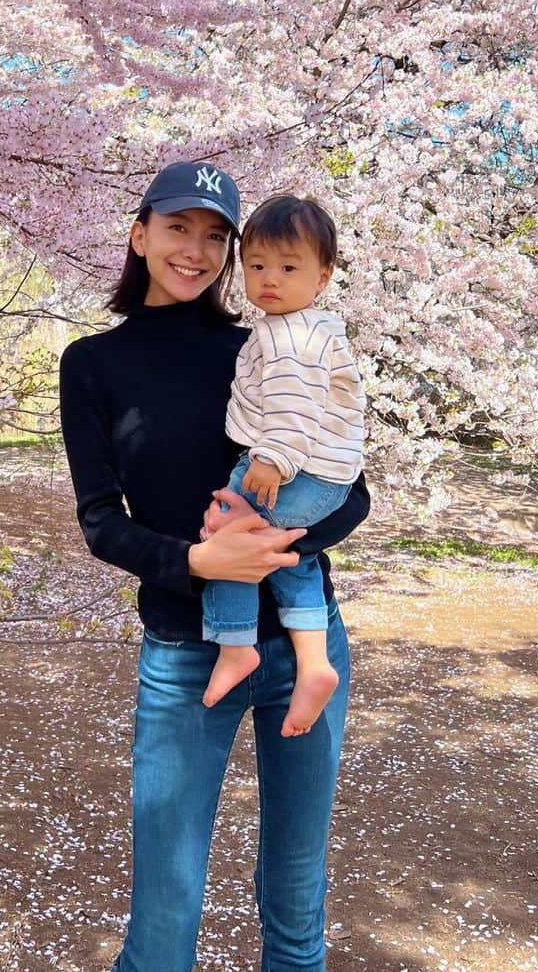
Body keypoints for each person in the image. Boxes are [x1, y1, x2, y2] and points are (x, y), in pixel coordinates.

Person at [59, 161, 370, 972]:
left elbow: (351, 491)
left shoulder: (270, 343)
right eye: (177, 228)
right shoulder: (91, 364)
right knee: (163, 920)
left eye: (215, 235)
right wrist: (203, 558)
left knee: (297, 906)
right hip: (184, 653)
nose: (195, 249)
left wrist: (278, 549)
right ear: (140, 234)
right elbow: (100, 523)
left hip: (306, 647)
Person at [200, 195, 366, 736]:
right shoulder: (304, 326)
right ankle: (315, 664)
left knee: (230, 533)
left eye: (289, 268)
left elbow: (294, 405)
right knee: (291, 557)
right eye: (257, 266)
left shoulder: (291, 334)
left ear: (323, 276)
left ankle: (235, 643)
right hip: (324, 477)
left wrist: (272, 460)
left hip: (294, 466)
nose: (270, 279)